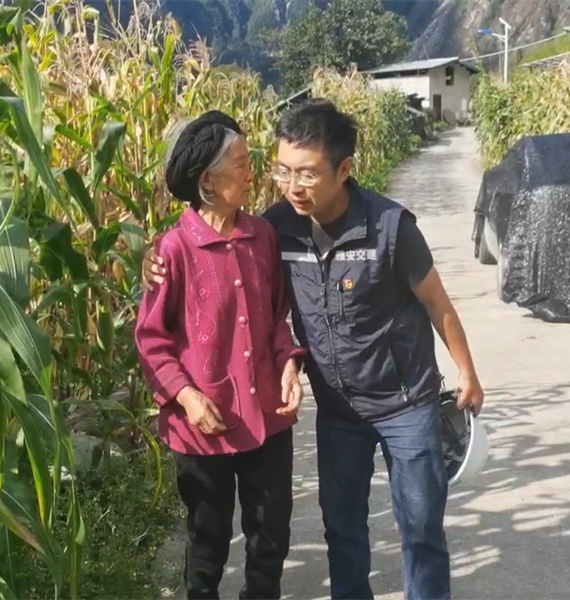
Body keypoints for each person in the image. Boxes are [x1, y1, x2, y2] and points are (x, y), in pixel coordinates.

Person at [142, 99, 485, 600]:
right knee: (336, 528)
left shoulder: (381, 228)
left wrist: (467, 372)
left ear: (344, 170)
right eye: (282, 171)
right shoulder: (265, 230)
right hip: (334, 412)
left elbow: (435, 304)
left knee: (417, 527)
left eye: (305, 173)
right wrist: (155, 258)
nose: (289, 185)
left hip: (402, 403)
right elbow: (181, 307)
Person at [134, 110, 307, 600]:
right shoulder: (173, 250)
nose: (252, 173)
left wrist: (289, 362)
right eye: (242, 164)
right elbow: (151, 339)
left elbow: (276, 316)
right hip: (202, 424)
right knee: (207, 541)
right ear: (208, 181)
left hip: (267, 414)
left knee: (270, 535)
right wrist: (186, 396)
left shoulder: (262, 236)